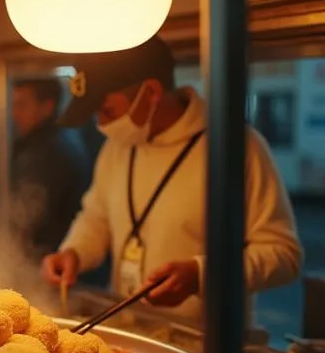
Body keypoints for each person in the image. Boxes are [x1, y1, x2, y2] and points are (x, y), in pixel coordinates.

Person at [40, 36, 302, 319]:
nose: (102, 125)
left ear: (151, 92)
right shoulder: (117, 147)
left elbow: (283, 254)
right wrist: (73, 253)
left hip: (207, 340)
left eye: (107, 111)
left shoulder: (236, 147)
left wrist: (201, 275)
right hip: (130, 326)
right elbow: (96, 218)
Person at [8, 77, 95, 263]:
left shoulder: (52, 151)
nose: (14, 114)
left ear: (47, 107)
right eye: (13, 105)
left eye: (22, 105)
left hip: (54, 263)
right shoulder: (47, 142)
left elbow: (30, 215)